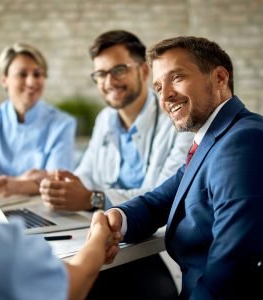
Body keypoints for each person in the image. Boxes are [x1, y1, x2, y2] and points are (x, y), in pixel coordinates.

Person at [104, 36, 263, 299]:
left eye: (176, 78)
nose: (165, 95)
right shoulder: (212, 140)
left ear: (220, 78)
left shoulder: (242, 141)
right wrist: (113, 220)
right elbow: (158, 202)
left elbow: (233, 267)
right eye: (158, 87)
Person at [40, 30, 193, 300]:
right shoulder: (105, 120)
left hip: (153, 252)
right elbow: (85, 176)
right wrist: (64, 188)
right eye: (100, 73)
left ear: (144, 72)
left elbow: (161, 197)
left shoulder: (176, 117)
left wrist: (92, 198)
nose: (109, 81)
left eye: (119, 70)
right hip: (109, 240)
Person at [0, 94, 120, 300]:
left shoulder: (67, 121)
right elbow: (71, 285)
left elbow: (73, 180)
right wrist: (99, 233)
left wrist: (90, 198)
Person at [0, 43, 76, 198]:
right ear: (4, 80)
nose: (31, 82)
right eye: (22, 74)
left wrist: (8, 184)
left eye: (38, 74)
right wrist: (19, 181)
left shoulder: (63, 123)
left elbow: (57, 182)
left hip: (43, 206)